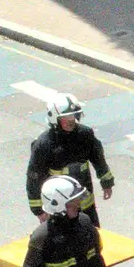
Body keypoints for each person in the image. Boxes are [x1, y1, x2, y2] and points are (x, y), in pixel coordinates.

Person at [25, 95, 113, 228]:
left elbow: (98, 158)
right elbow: (34, 178)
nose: (71, 121)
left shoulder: (85, 134)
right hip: (60, 210)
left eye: (74, 116)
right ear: (55, 118)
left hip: (86, 204)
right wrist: (38, 211)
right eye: (67, 117)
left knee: (93, 236)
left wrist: (106, 181)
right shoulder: (44, 145)